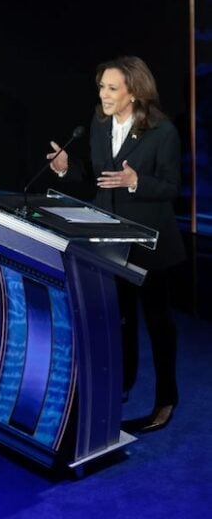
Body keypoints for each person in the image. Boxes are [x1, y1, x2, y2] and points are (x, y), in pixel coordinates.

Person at [47, 55, 185, 433]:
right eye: (101, 87)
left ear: (134, 92)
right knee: (118, 320)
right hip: (108, 240)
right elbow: (95, 176)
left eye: (111, 88)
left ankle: (166, 399)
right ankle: (120, 386)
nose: (103, 95)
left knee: (158, 324)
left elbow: (172, 188)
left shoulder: (163, 132)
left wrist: (136, 182)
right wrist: (65, 169)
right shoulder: (99, 121)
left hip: (150, 245)